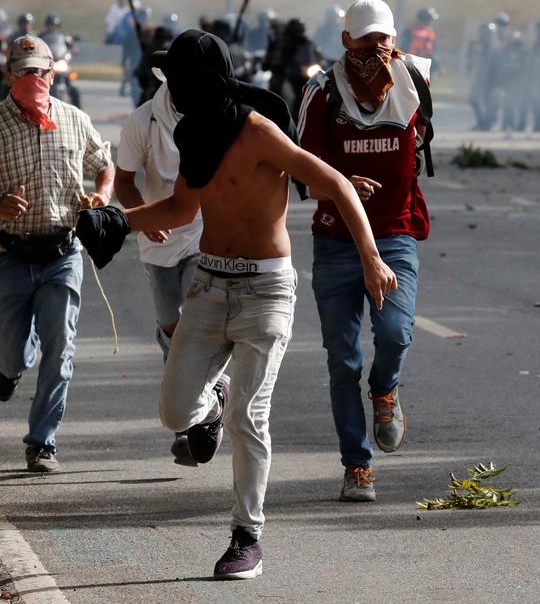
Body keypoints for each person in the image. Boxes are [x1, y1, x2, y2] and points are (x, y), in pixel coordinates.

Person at [92, 29, 396, 580]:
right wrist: (116, 221)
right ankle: (216, 395)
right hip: (208, 286)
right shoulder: (195, 135)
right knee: (175, 414)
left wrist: (372, 259)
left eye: (179, 82)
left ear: (199, 83)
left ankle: (245, 537)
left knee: (248, 417)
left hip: (266, 290)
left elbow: (337, 186)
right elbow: (182, 210)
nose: (173, 93)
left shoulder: (258, 131)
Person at [0, 34, 114, 474]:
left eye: (38, 71)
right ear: (8, 75)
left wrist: (100, 195)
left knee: (60, 348)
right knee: (14, 352)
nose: (31, 78)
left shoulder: (75, 120)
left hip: (62, 254)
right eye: (22, 71)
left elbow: (105, 163)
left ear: (52, 74)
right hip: (6, 255)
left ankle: (42, 443)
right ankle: (7, 368)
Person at [294, 0, 430, 503]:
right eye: (366, 38)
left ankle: (386, 390)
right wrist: (340, 184)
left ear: (395, 39)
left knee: (394, 334)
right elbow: (299, 167)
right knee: (342, 360)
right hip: (336, 241)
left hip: (395, 235)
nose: (377, 47)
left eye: (384, 37)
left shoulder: (415, 81)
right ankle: (357, 465)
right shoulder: (321, 91)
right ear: (346, 40)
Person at [114, 73, 202, 464]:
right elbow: (123, 180)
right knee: (173, 326)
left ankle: (193, 421)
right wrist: (143, 219)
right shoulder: (143, 120)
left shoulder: (212, 114)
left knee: (199, 325)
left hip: (203, 234)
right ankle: (186, 400)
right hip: (158, 239)